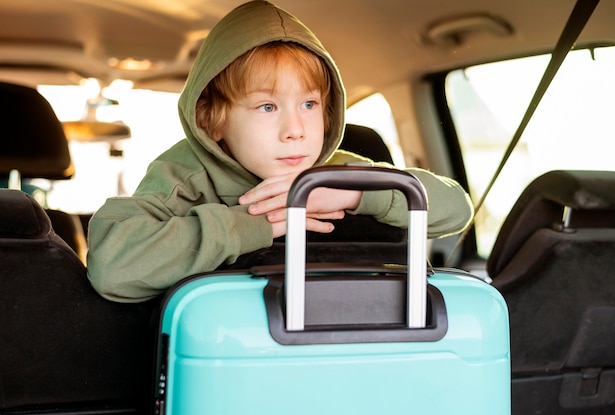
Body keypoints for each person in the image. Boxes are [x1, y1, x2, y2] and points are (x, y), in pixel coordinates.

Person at [86, 0, 473, 302]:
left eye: (309, 105)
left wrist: (352, 192)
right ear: (212, 119)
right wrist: (252, 224)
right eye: (267, 107)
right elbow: (112, 268)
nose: (296, 131)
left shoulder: (338, 171)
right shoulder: (182, 178)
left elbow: (456, 207)